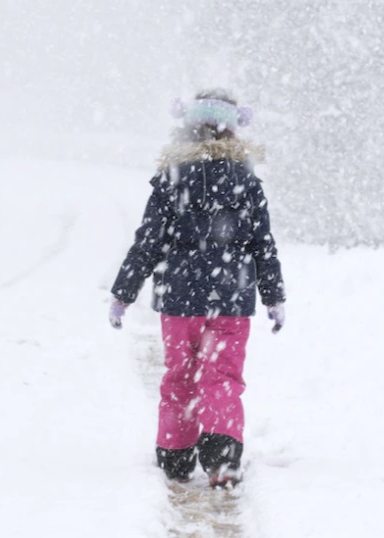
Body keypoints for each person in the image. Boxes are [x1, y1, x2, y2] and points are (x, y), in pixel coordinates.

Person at [108, 88, 286, 489]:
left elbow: (148, 242)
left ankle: (176, 456)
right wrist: (274, 296)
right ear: (233, 130)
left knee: (180, 376)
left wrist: (124, 293)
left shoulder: (172, 179)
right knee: (222, 377)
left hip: (179, 299)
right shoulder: (247, 182)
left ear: (187, 127)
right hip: (231, 298)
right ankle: (222, 459)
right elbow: (263, 244)